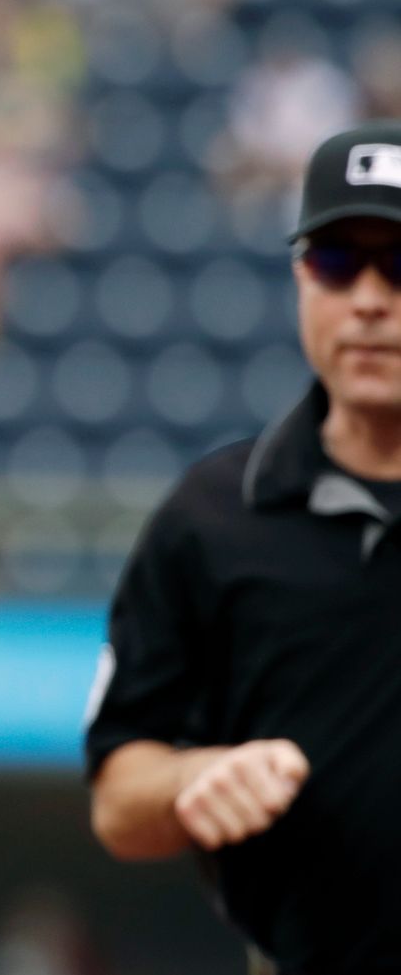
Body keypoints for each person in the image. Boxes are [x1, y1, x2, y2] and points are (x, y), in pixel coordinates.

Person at [86, 120, 401, 972]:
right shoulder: (215, 517)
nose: (369, 297)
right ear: (302, 276)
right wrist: (198, 777)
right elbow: (119, 795)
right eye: (338, 262)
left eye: (400, 264)